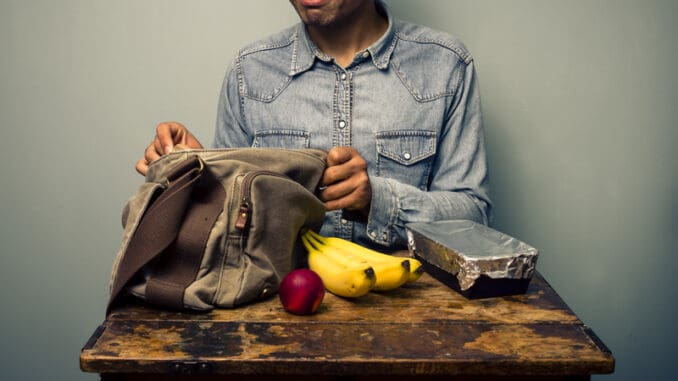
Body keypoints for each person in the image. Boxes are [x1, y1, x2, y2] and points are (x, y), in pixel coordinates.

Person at [136, 0, 491, 250]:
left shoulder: (446, 65)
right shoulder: (250, 70)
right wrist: (196, 169)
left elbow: (473, 219)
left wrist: (375, 200)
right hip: (272, 312)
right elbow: (228, 225)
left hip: (412, 316)